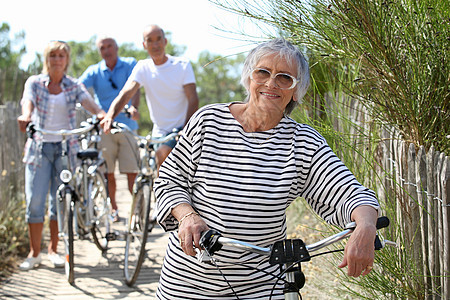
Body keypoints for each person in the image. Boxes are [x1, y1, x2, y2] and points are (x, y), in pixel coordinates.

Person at [154, 38, 380, 299]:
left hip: (261, 287)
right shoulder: (208, 121)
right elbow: (168, 180)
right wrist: (187, 217)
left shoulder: (303, 142)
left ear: (296, 91)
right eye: (263, 72)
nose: (271, 83)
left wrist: (364, 226)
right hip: (186, 284)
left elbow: (348, 192)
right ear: (249, 77)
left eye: (284, 78)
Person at [16, 40, 105, 271]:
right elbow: (28, 103)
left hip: (65, 149)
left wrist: (102, 114)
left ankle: (53, 250)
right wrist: (26, 116)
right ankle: (34, 253)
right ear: (46, 59)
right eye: (53, 55)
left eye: (61, 56)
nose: (57, 60)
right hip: (39, 148)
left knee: (59, 202)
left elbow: (88, 103)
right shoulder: (34, 83)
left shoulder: (73, 85)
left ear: (67, 60)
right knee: (35, 202)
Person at [101, 24, 199, 171]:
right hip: (158, 132)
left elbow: (193, 98)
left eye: (158, 39)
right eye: (150, 40)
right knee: (150, 167)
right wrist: (110, 116)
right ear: (144, 45)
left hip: (180, 129)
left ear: (165, 41)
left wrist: (186, 129)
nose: (155, 44)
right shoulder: (143, 67)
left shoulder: (182, 65)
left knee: (163, 154)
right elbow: (126, 93)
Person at [79, 36, 140, 222]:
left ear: (116, 47)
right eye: (102, 47)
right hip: (105, 128)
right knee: (107, 173)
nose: (107, 50)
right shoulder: (94, 71)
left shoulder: (130, 64)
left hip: (127, 126)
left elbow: (136, 87)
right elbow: (77, 88)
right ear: (99, 51)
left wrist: (133, 108)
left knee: (132, 172)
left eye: (110, 46)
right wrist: (96, 112)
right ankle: (113, 209)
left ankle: (137, 211)